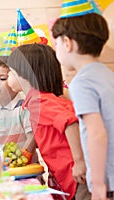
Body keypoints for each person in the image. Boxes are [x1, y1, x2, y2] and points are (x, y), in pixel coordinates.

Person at [7, 44, 89, 200]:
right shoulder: (40, 101)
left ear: (24, 75)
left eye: (10, 73)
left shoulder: (41, 102)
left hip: (76, 175)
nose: (8, 78)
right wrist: (26, 153)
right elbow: (41, 132)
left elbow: (70, 122)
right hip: (66, 173)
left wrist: (79, 162)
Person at [52, 12, 114, 200]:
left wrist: (97, 185)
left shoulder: (82, 82)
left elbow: (96, 133)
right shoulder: (108, 75)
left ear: (67, 43)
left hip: (108, 181)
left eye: (56, 44)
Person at [0, 56, 37, 164]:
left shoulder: (24, 106)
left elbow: (32, 136)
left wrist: (23, 157)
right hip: (2, 170)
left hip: (25, 169)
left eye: (2, 78)